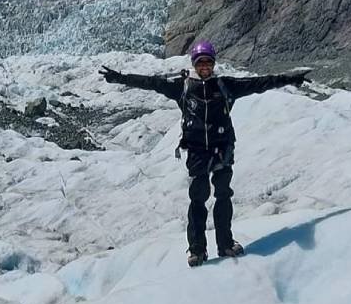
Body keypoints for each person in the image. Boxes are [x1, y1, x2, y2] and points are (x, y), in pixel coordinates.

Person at [98, 41, 309, 267]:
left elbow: (259, 83)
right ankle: (197, 250)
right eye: (201, 62)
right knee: (198, 200)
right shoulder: (183, 86)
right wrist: (120, 78)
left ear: (214, 63)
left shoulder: (225, 85)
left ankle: (225, 244)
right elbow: (151, 83)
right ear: (194, 64)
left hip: (222, 150)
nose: (205, 66)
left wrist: (290, 78)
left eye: (208, 62)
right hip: (198, 152)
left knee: (223, 196)